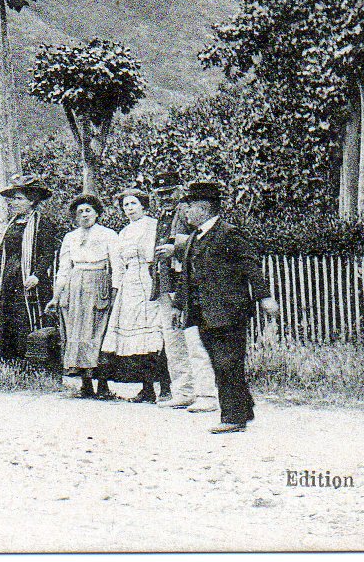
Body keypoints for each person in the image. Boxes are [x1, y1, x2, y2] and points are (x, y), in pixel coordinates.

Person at [177, 180, 279, 434]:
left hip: (229, 311)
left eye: (189, 208)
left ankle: (233, 418)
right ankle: (242, 407)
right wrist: (180, 306)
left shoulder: (228, 233)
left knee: (227, 363)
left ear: (204, 208)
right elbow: (187, 277)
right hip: (203, 313)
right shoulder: (194, 237)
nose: (186, 213)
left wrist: (264, 297)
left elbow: (250, 265)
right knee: (221, 362)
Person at [154, 183, 219, 413]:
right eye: (160, 194)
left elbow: (200, 240)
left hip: (187, 284)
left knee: (194, 339)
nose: (164, 198)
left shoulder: (190, 212)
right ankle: (183, 391)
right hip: (166, 284)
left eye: (168, 193)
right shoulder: (163, 215)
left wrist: (176, 248)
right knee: (173, 342)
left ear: (178, 191)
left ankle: (207, 393)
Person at [100, 187, 170, 403]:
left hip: (150, 279)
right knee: (138, 338)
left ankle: (166, 388)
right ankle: (146, 388)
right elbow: (119, 265)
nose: (129, 209)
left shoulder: (154, 226)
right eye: (125, 205)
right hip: (130, 285)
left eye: (133, 204)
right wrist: (118, 289)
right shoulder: (123, 232)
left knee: (156, 335)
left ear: (143, 205)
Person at [49, 194, 118, 399]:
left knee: (99, 332)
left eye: (88, 210)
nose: (85, 214)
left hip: (99, 283)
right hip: (75, 285)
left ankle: (103, 384)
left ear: (97, 213)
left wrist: (115, 291)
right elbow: (63, 269)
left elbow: (117, 266)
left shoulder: (108, 235)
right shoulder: (70, 238)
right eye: (80, 212)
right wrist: (57, 295)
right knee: (76, 333)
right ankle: (85, 383)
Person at [0, 174, 60, 364]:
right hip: (9, 279)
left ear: (32, 201)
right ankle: (8, 361)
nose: (13, 202)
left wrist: (37, 275)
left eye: (19, 198)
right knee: (8, 318)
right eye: (12, 198)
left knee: (26, 319)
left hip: (30, 281)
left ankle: (31, 363)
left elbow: (48, 252)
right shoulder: (11, 225)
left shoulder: (43, 224)